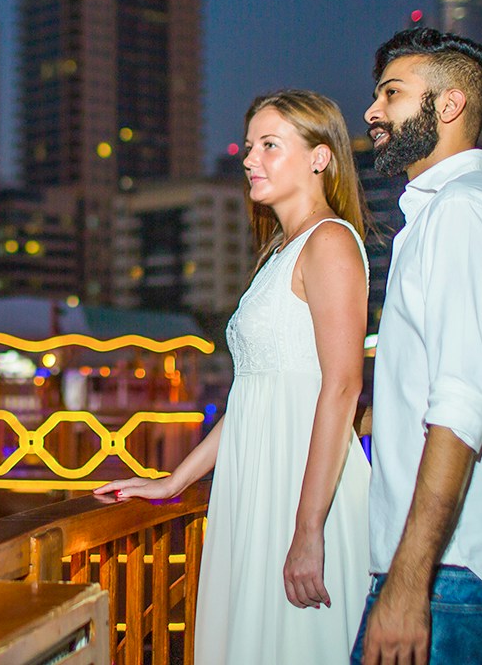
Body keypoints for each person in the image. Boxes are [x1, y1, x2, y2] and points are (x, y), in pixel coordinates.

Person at [96, 89, 372, 663]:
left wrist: (308, 528)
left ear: (320, 157)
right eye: (250, 147)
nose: (250, 159)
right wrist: (175, 480)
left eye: (270, 146)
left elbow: (342, 388)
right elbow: (255, 397)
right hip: (255, 483)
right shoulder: (279, 252)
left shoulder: (331, 243)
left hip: (304, 491)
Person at [352, 27, 482, 665]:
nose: (371, 111)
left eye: (392, 93)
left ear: (447, 107)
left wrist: (411, 582)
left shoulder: (462, 214)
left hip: (451, 575)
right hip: (472, 572)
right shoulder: (448, 214)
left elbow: (463, 404)